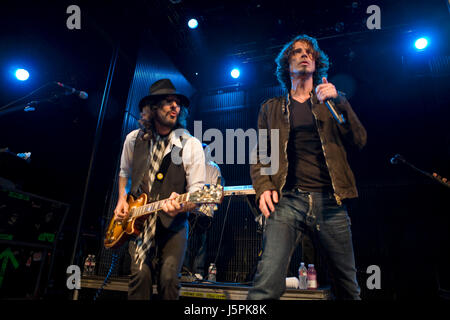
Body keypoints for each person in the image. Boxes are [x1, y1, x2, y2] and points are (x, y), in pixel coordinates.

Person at [247, 35, 367, 300]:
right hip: (288, 200)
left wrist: (341, 102)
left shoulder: (332, 101)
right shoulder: (271, 108)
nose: (304, 55)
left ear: (317, 63)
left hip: (331, 202)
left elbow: (359, 139)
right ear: (286, 64)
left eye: (310, 53)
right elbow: (260, 153)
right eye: (297, 52)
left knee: (348, 287)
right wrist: (263, 187)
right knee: (265, 285)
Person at [114, 79, 205, 300]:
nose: (175, 106)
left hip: (173, 225)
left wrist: (183, 205)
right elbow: (124, 172)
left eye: (177, 102)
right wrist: (122, 199)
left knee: (168, 278)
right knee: (140, 277)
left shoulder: (190, 144)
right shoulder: (133, 140)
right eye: (168, 101)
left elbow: (199, 192)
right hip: (138, 222)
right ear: (153, 108)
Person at [183, 143, 223, 281]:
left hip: (206, 211)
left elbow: (216, 190)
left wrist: (200, 193)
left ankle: (198, 271)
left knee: (201, 241)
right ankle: (185, 271)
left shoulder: (213, 167)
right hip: (190, 208)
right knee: (187, 239)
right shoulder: (191, 167)